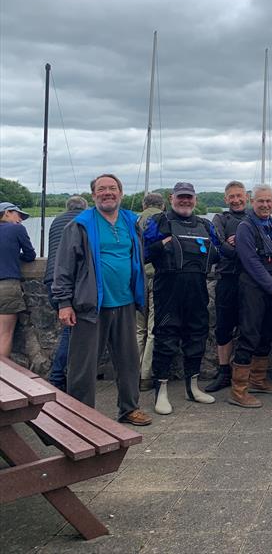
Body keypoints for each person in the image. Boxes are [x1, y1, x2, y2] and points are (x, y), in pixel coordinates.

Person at [50, 175, 151, 425]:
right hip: (90, 305)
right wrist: (64, 303)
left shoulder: (130, 221)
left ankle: (129, 408)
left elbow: (137, 257)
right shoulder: (80, 225)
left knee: (128, 362)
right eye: (102, 189)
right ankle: (82, 415)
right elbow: (63, 267)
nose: (108, 193)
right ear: (94, 194)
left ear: (121, 193)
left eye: (113, 188)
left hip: (125, 302)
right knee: (83, 367)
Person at [143, 181, 221, 414]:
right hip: (168, 289)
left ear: (195, 199)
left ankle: (193, 387)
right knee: (165, 339)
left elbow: (217, 252)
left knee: (197, 335)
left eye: (189, 197)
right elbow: (141, 252)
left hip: (197, 288)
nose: (185, 201)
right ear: (171, 198)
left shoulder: (205, 225)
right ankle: (161, 391)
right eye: (181, 197)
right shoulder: (158, 222)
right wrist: (160, 245)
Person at [228, 184, 272, 407]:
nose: (265, 205)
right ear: (252, 202)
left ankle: (258, 380)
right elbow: (250, 261)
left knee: (267, 333)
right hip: (253, 286)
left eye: (268, 201)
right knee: (249, 335)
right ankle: (238, 390)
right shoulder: (246, 227)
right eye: (260, 201)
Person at [205, 181, 248, 393]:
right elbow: (217, 245)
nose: (236, 200)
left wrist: (237, 242)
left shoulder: (253, 218)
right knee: (223, 328)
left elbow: (261, 246)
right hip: (226, 278)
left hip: (250, 280)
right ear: (226, 199)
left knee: (249, 328)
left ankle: (246, 374)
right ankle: (223, 371)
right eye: (232, 196)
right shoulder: (219, 218)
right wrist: (239, 248)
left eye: (239, 195)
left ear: (246, 197)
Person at [43, 195, 88, 389]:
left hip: (50, 280)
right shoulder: (84, 221)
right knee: (72, 332)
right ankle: (58, 377)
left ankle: (62, 376)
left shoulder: (56, 221)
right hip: (70, 282)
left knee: (70, 330)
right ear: (85, 207)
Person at [135, 192, 165, 393]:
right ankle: (146, 375)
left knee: (137, 329)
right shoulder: (163, 220)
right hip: (156, 275)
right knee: (154, 328)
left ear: (144, 204)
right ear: (162, 205)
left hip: (137, 277)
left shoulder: (133, 220)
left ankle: (132, 373)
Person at [0, 202, 36, 358]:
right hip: (7, 284)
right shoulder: (16, 229)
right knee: (4, 333)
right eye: (18, 215)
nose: (20, 219)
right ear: (7, 212)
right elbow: (30, 255)